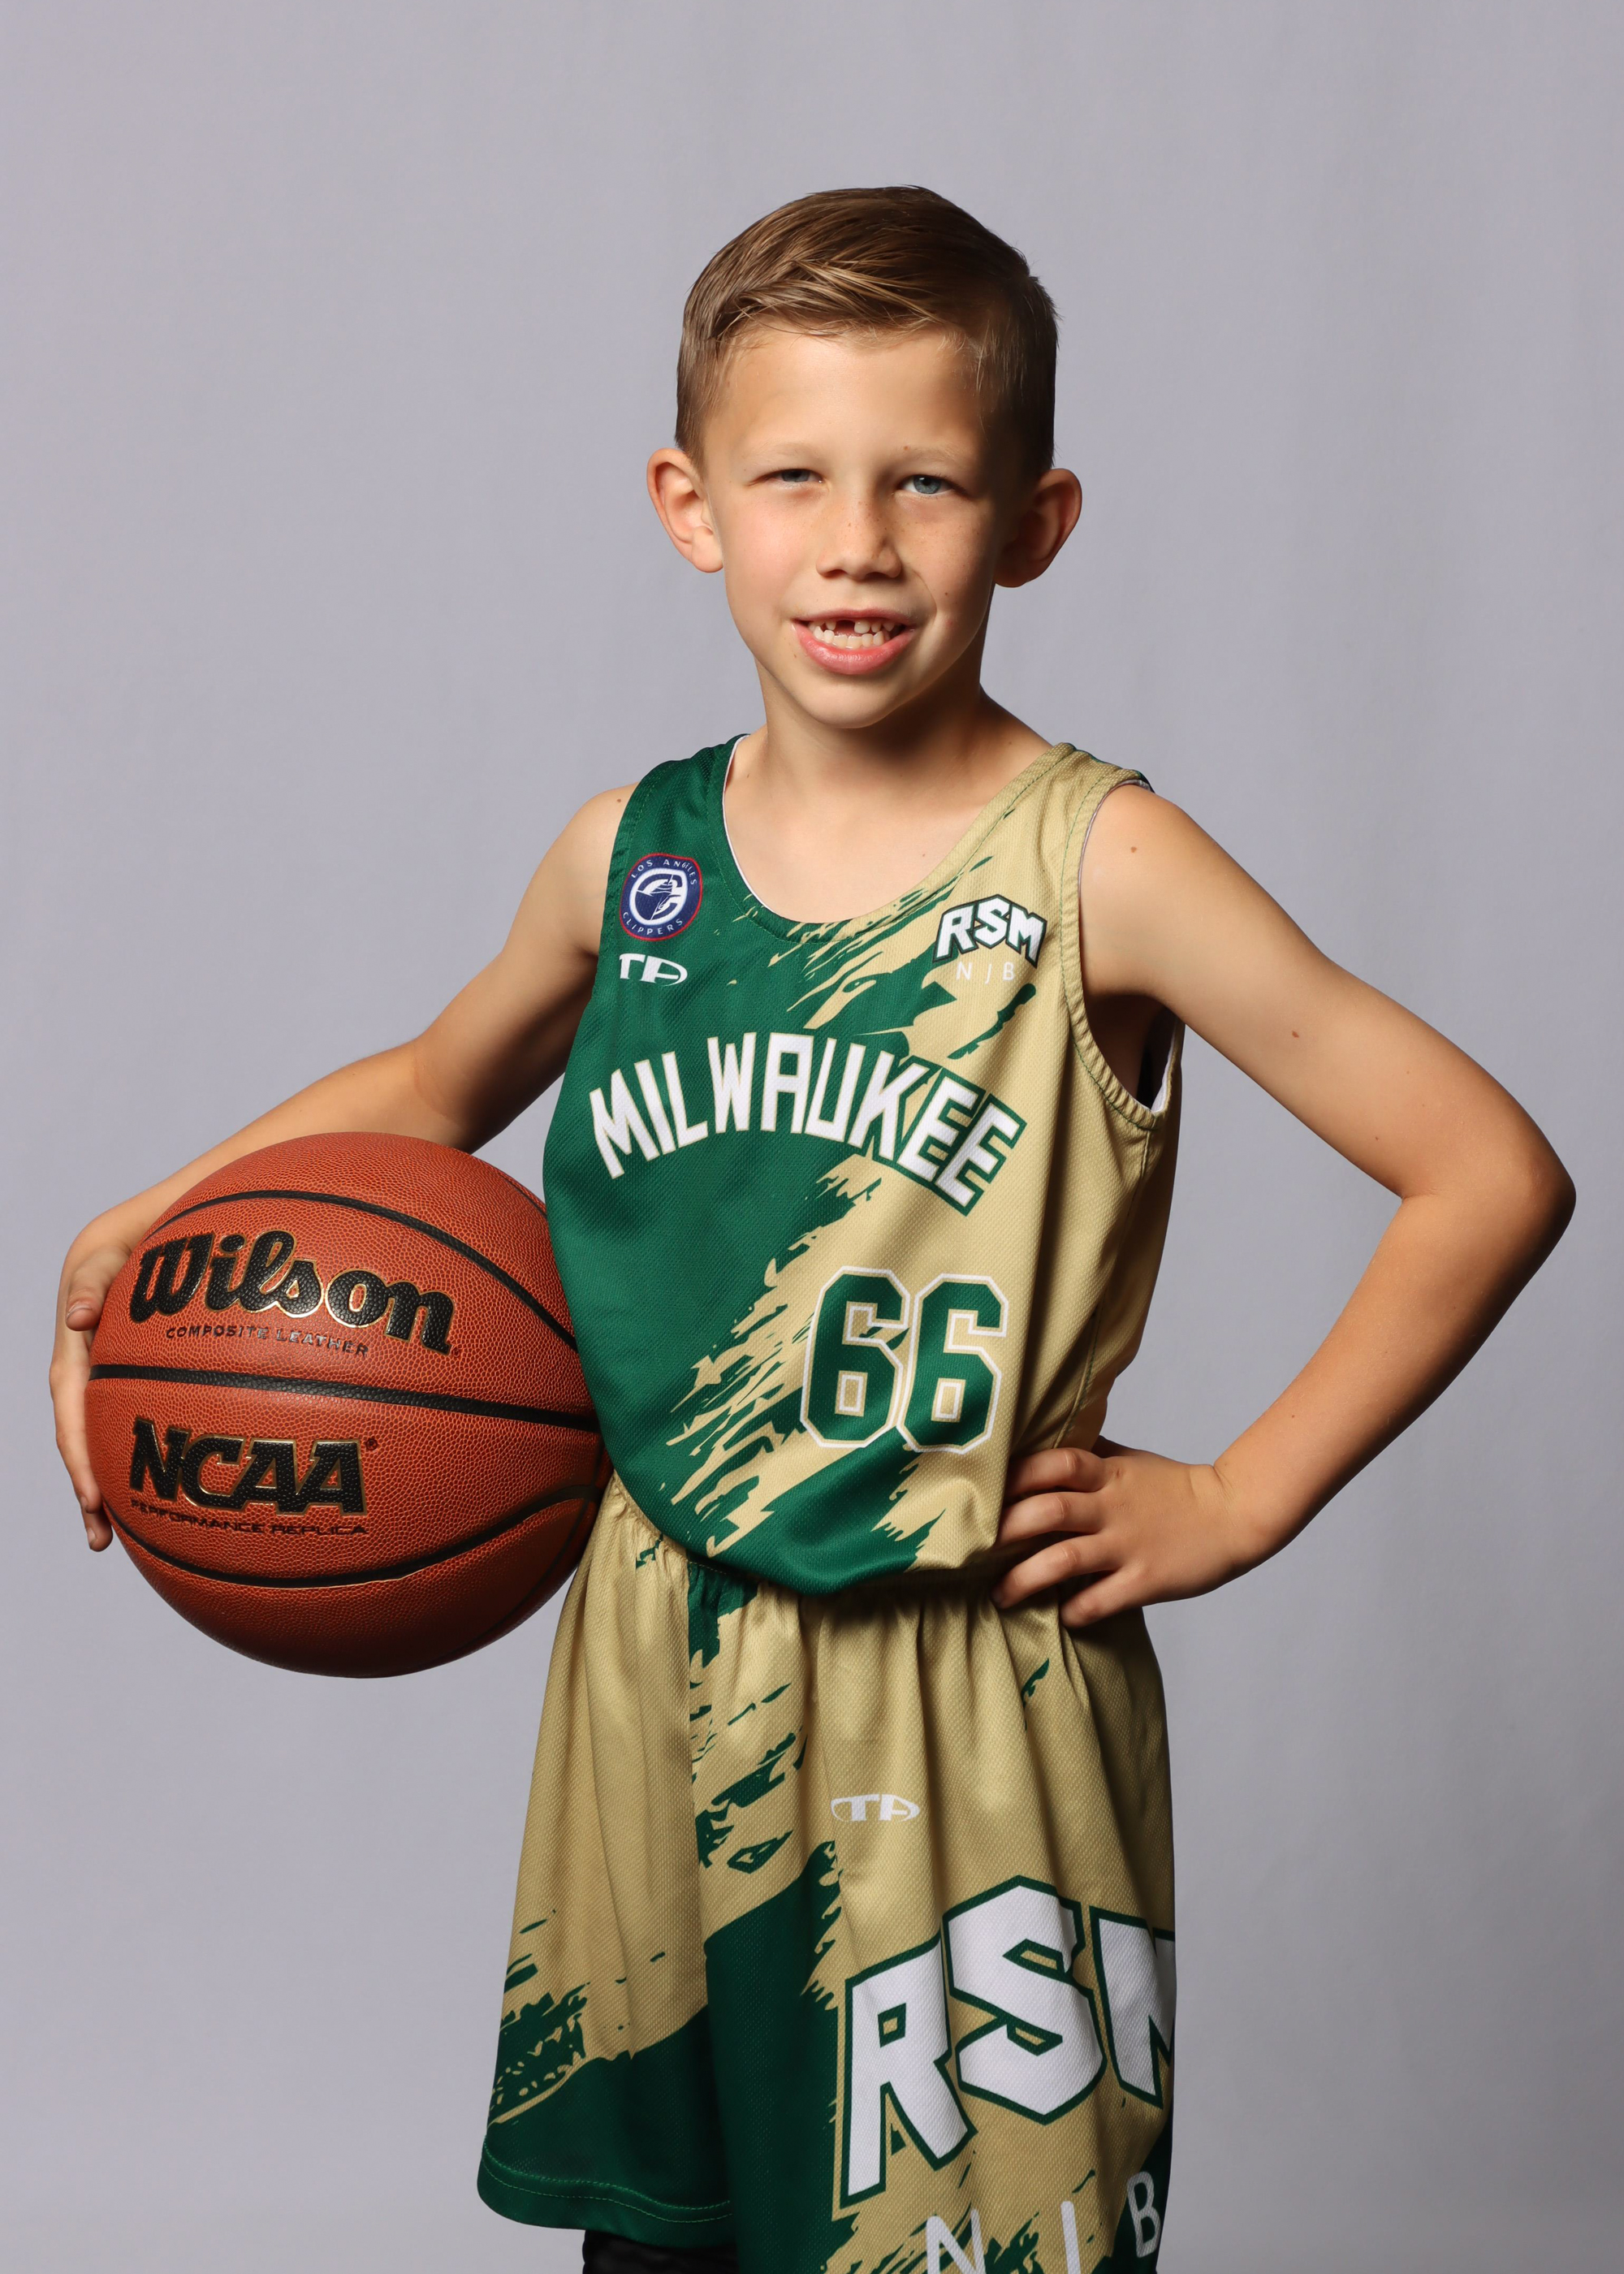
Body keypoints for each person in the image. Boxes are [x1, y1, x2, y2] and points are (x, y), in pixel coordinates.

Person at [50, 188, 1573, 2274]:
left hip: (957, 1662)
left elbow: (1485, 1166)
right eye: (793, 478)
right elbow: (425, 1088)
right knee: (665, 2242)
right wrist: (145, 1228)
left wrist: (1238, 1496)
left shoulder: (1098, 863)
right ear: (690, 505)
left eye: (922, 481)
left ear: (1031, 522)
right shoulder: (631, 857)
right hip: (656, 1642)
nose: (856, 541)